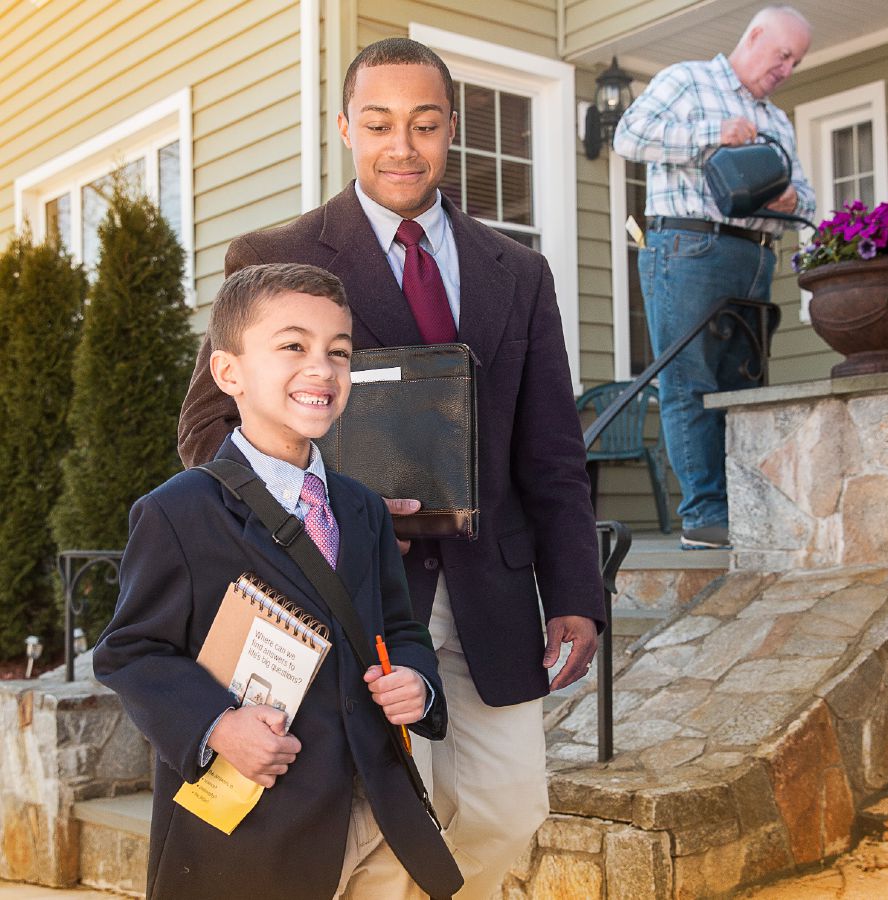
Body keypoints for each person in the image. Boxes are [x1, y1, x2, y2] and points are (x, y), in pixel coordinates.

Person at [178, 37, 606, 899]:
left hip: (491, 593)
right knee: (365, 834)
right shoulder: (272, 254)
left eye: (422, 124)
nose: (400, 145)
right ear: (345, 127)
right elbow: (205, 433)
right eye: (378, 123)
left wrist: (575, 593)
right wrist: (337, 493)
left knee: (507, 811)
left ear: (451, 128)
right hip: (345, 592)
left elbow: (553, 452)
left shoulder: (518, 273)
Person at [93, 263, 463, 900]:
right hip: (256, 826)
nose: (322, 369)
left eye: (339, 352)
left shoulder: (361, 508)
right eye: (293, 346)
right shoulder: (178, 512)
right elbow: (131, 654)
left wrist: (418, 685)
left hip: (373, 805)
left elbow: (399, 629)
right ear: (228, 372)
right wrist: (217, 727)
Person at [613, 5, 816, 550]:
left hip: (757, 255)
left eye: (796, 61)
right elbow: (629, 136)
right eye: (782, 55)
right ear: (754, 36)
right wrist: (714, 133)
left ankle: (741, 511)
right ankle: (705, 515)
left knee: (743, 388)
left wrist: (794, 197)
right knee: (690, 382)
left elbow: (808, 199)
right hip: (688, 247)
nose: (787, 69)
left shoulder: (777, 120)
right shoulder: (688, 81)